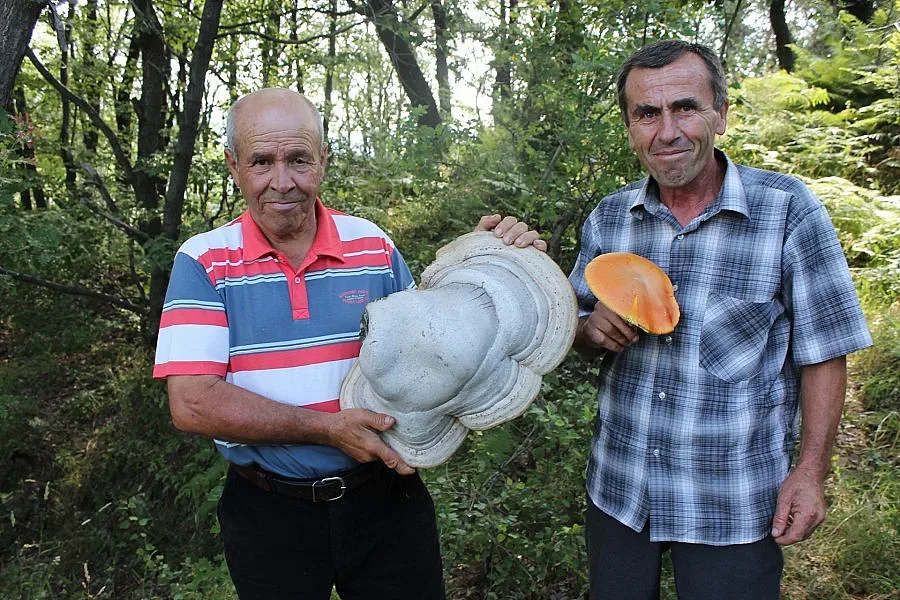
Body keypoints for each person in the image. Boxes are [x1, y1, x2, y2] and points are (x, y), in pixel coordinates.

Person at [152, 87, 544, 600]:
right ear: (233, 165)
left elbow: (427, 345)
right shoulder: (203, 261)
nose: (282, 181)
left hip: (385, 502)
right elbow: (192, 403)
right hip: (270, 512)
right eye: (261, 162)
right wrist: (327, 429)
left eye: (298, 159)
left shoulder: (373, 246)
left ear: (323, 160)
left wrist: (481, 260)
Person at [568, 40, 872, 599]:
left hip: (731, 502)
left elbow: (825, 351)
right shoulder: (610, 219)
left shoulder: (786, 210)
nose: (667, 131)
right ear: (630, 127)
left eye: (685, 107)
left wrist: (810, 474)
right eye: (647, 114)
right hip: (620, 489)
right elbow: (576, 328)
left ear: (721, 115)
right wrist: (590, 332)